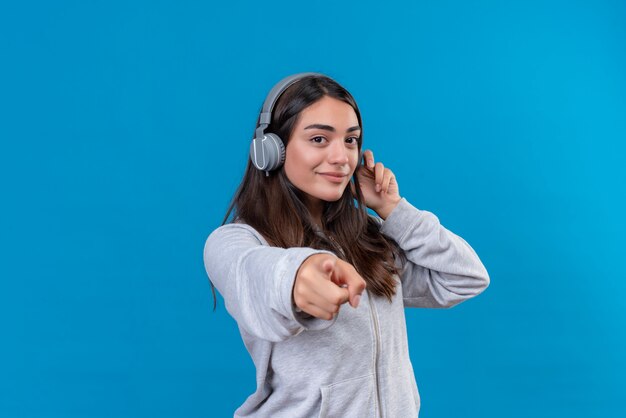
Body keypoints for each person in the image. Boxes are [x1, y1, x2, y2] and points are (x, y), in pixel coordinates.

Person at [203, 72, 490, 417]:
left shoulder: (368, 237)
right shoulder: (235, 241)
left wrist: (392, 209)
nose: (341, 157)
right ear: (271, 150)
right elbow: (255, 274)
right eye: (320, 139)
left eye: (350, 140)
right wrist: (298, 275)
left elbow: (466, 277)